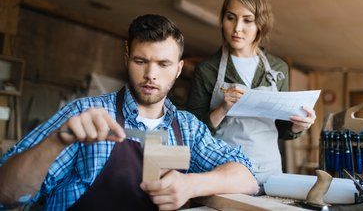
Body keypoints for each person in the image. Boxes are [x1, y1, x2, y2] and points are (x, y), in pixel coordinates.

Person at [0, 14, 258, 210]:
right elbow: (6, 194)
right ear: (126, 57)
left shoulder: (188, 129)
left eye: (163, 64)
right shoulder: (83, 114)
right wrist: (56, 141)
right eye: (140, 61)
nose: (151, 75)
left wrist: (192, 184)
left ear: (179, 69)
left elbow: (247, 178)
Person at [187, 0, 316, 189]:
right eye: (231, 18)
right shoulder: (207, 70)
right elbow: (192, 131)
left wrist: (299, 126)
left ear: (260, 24)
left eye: (247, 20)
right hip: (225, 169)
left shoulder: (278, 68)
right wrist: (222, 108)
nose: (237, 28)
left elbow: (282, 128)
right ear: (223, 20)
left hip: (270, 170)